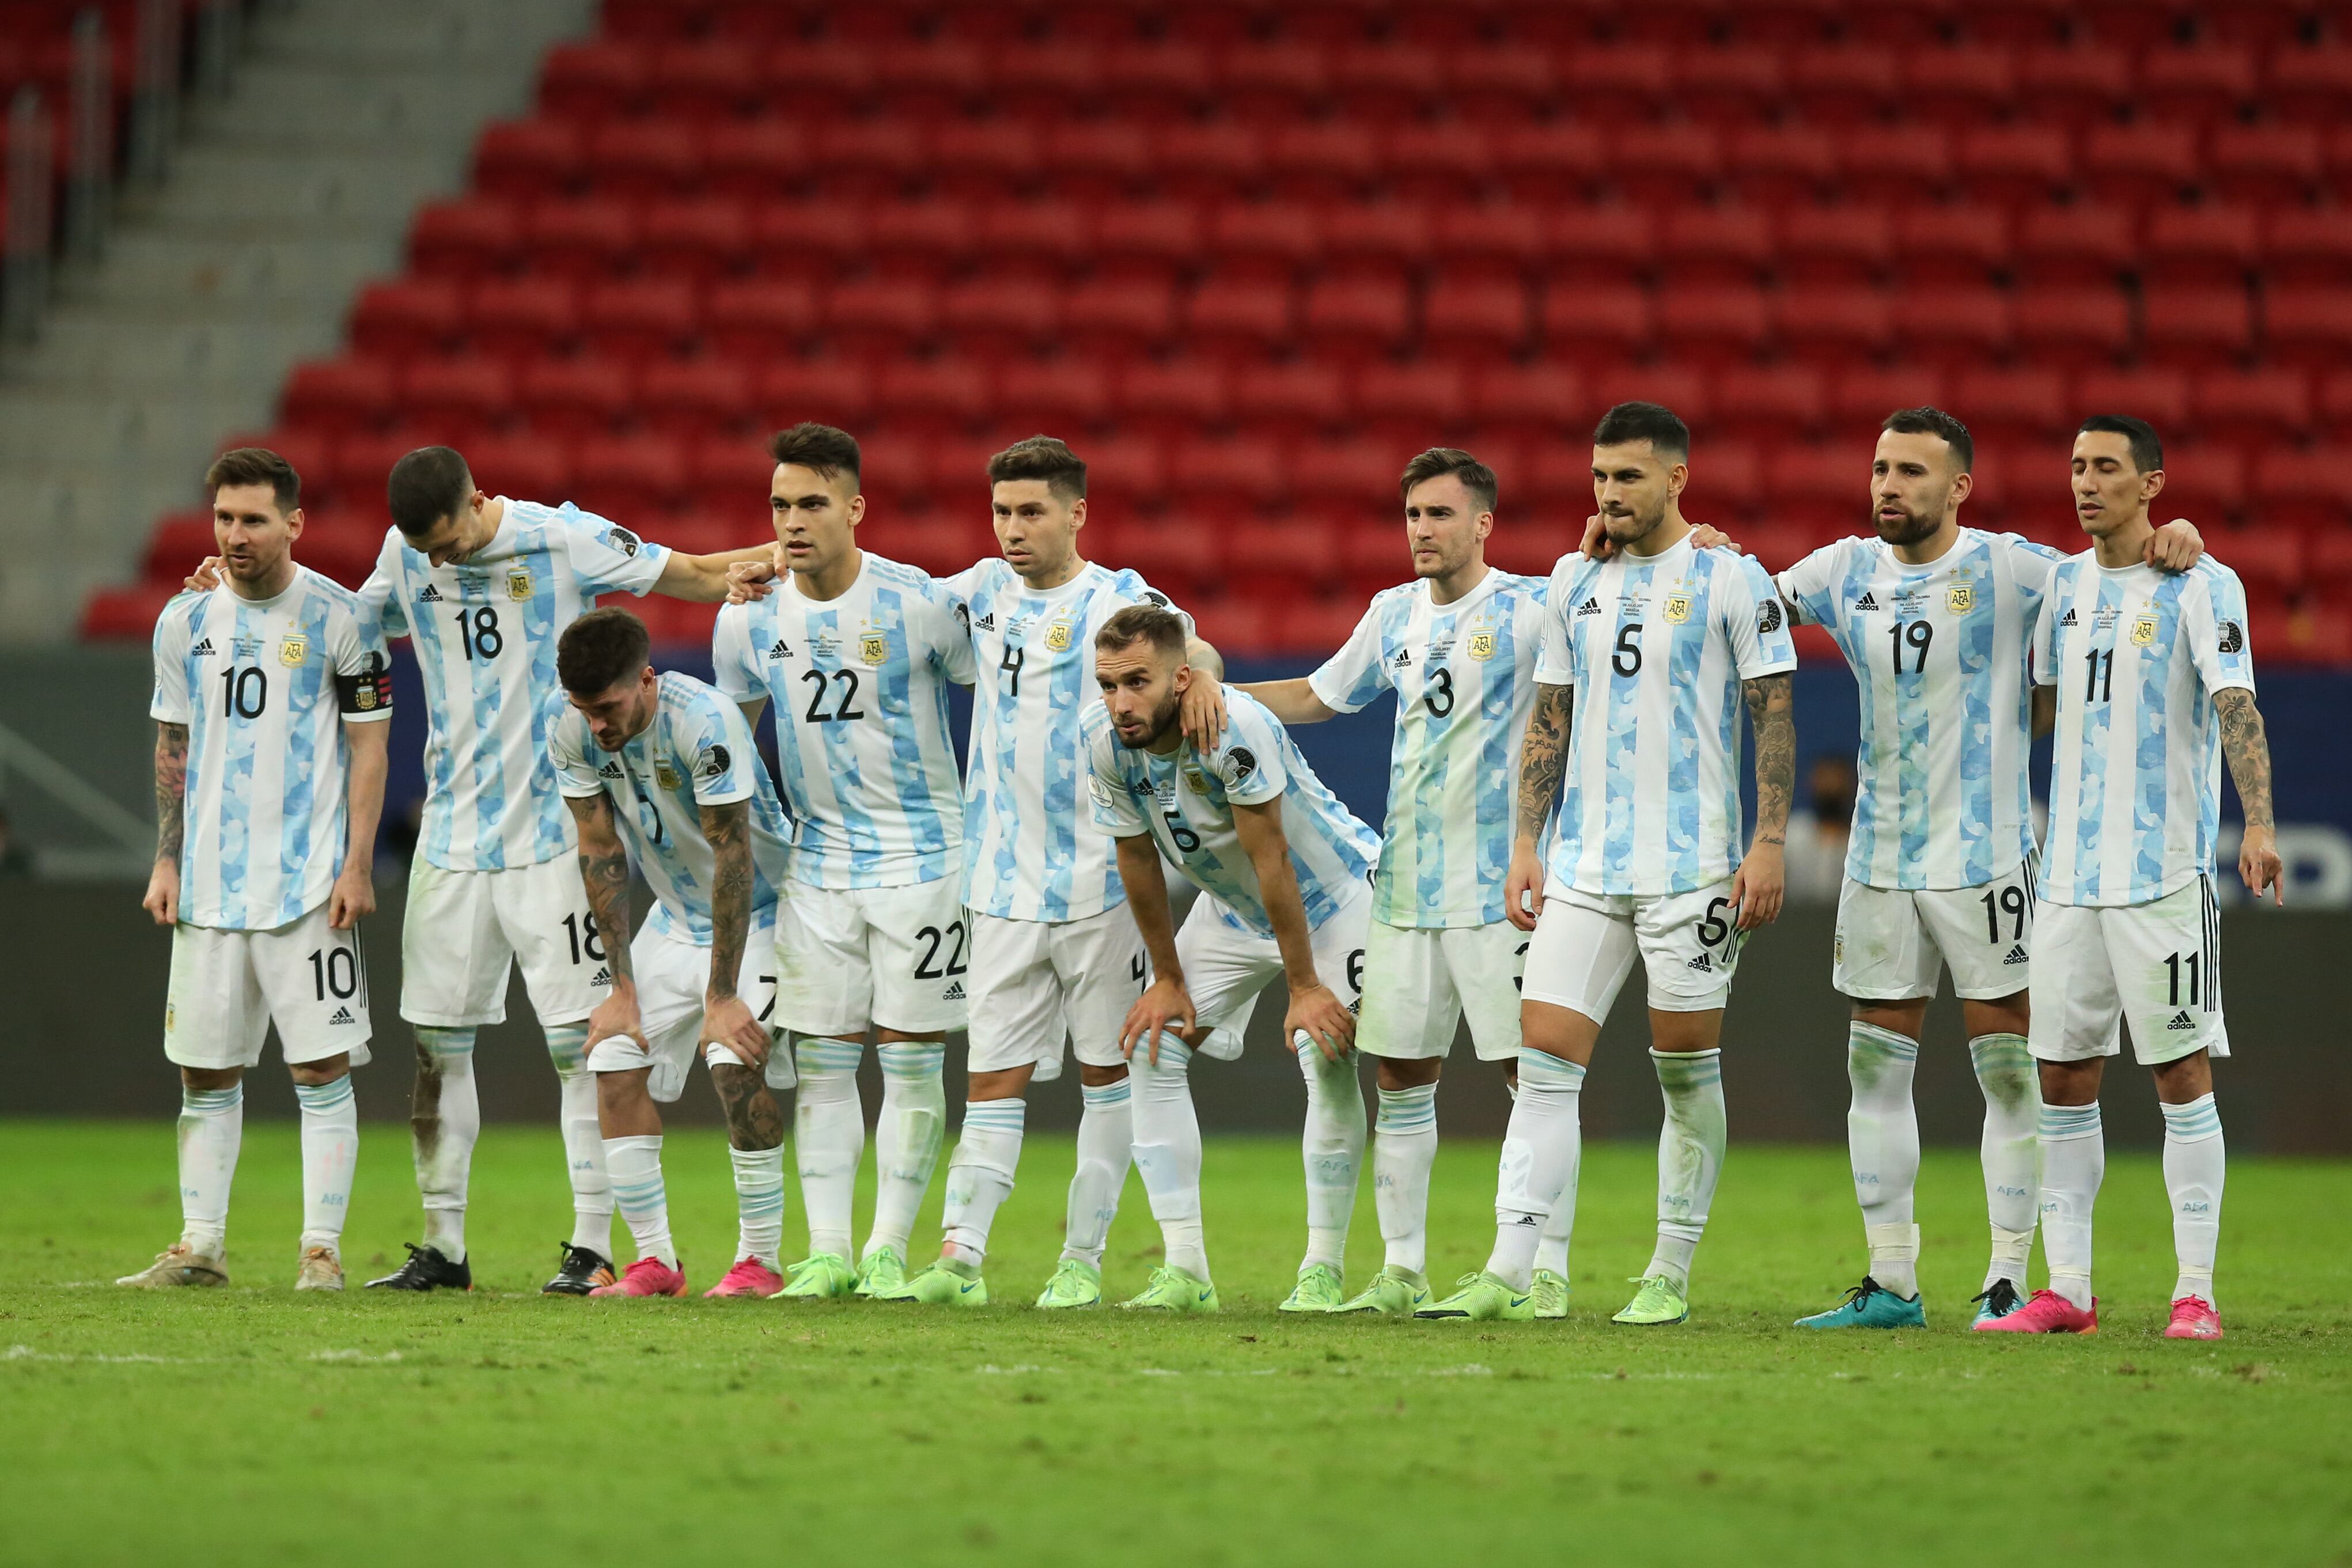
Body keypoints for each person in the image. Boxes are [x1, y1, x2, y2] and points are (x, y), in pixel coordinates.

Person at [184, 445, 770, 1292]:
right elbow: (341, 623)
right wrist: (234, 591)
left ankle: (590, 1245)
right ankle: (443, 1245)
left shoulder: (559, 537)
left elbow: (684, 572)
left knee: (585, 1044)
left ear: (478, 502)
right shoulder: (405, 552)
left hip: (550, 834)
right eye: (424, 547)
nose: (440, 559)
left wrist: (770, 565)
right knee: (434, 1047)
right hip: (451, 837)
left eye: (449, 541)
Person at [730, 435, 1225, 1310]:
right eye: (1000, 511)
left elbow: (1194, 649)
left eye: (1031, 511)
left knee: (1111, 1075)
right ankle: (959, 1255)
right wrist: (763, 567)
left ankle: (1083, 1259)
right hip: (996, 884)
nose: (1011, 529)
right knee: (988, 1080)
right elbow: (860, 587)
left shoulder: (1119, 596)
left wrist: (1205, 682)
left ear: (1076, 512)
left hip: (1104, 879)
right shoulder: (972, 595)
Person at [1775, 408, 2208, 1330]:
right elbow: (1745, 607)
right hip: (1880, 857)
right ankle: (1891, 1282)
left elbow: (2117, 567)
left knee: (2010, 1069)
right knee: (1871, 1064)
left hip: (1988, 857)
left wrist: (2179, 534)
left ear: (1957, 488)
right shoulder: (1841, 569)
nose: (1888, 485)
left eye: (1912, 473)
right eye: (1880, 467)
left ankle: (2009, 1273)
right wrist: (1692, 548)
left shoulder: (2014, 569)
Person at [1425, 402, 1797, 1325]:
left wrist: (1769, 840)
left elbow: (1774, 715)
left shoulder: (1728, 579)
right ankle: (1509, 1269)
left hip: (1692, 871)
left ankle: (1666, 1271)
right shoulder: (1571, 580)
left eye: (1627, 476)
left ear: (1676, 478)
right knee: (1543, 1066)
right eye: (1598, 477)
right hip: (1583, 867)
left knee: (1682, 1072)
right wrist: (1525, 840)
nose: (1607, 493)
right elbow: (1546, 718)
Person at [1240, 448, 1574, 1316]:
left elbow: (1614, 608)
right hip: (1404, 884)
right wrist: (1217, 691)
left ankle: (1544, 1270)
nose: (1421, 530)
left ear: (1481, 524)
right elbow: (1320, 696)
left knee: (1529, 1079)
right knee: (1399, 1076)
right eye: (1412, 515)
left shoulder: (1531, 607)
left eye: (1438, 514)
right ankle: (1401, 1268)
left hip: (1499, 886)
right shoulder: (1392, 613)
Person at [1983, 416, 2280, 1341]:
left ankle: (2193, 1290)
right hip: (2066, 881)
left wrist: (2258, 819)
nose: (2084, 481)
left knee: (2180, 1075)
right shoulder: (2061, 588)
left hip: (2160, 877)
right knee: (2061, 1079)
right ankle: (2066, 1285)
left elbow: (2234, 701)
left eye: (2105, 467)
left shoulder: (2198, 581)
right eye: (2074, 466)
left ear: (2149, 482)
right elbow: (2043, 707)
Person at [710, 424, 974, 1300]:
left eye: (812, 502)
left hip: (926, 858)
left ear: (854, 509)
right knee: (822, 1061)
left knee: (908, 1059)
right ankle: (825, 1252)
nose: (791, 520)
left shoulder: (920, 604)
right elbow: (730, 740)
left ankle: (887, 1251)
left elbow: (1003, 693)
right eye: (780, 504)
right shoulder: (747, 615)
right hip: (818, 868)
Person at [120, 448, 390, 1292]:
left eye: (253, 520)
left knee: (320, 1070)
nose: (235, 536)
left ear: (294, 523)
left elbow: (369, 746)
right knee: (204, 1071)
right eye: (224, 519)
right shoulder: (183, 620)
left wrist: (356, 864)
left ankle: (321, 1250)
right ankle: (200, 1244)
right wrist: (166, 858)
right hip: (207, 887)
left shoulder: (340, 619)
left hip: (308, 887)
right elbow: (175, 741)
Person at [1093, 603, 1381, 1312]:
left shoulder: (1233, 728)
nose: (1121, 703)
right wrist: (1165, 978)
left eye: (1136, 682)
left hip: (1335, 900)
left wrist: (1306, 984)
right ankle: (1186, 1271)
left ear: (1180, 680)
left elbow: (1273, 857)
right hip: (1232, 908)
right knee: (1151, 1047)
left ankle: (1322, 1268)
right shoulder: (1105, 745)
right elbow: (1136, 860)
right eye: (1107, 685)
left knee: (1326, 1050)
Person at [551, 608, 795, 1298]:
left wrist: (720, 997)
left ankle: (760, 1262)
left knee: (733, 1057)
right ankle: (655, 1261)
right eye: (584, 708)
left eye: (607, 707)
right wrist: (620, 987)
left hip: (767, 912)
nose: (597, 725)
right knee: (611, 1055)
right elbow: (600, 851)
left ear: (647, 679)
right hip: (677, 918)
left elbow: (733, 856)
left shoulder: (703, 721)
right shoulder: (571, 728)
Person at [1781, 755, 1857, 906]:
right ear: (1812, 784)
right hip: (1791, 921)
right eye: (1825, 780)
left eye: (1838, 781)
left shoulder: (1862, 840)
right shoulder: (1790, 834)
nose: (1832, 787)